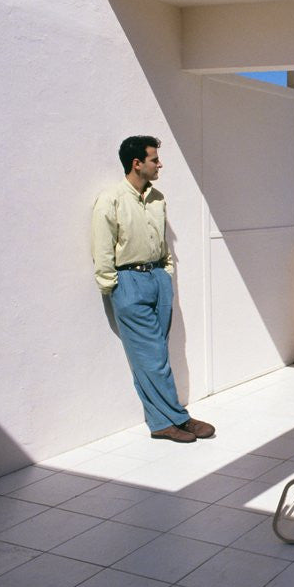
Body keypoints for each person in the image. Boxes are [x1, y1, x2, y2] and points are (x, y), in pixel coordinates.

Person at [91, 135, 214, 443]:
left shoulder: (158, 198)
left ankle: (164, 421)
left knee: (155, 353)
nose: (160, 164)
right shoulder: (111, 199)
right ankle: (176, 419)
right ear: (137, 163)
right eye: (154, 159)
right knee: (153, 356)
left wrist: (166, 274)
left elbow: (162, 243)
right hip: (129, 281)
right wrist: (113, 286)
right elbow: (102, 247)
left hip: (158, 279)